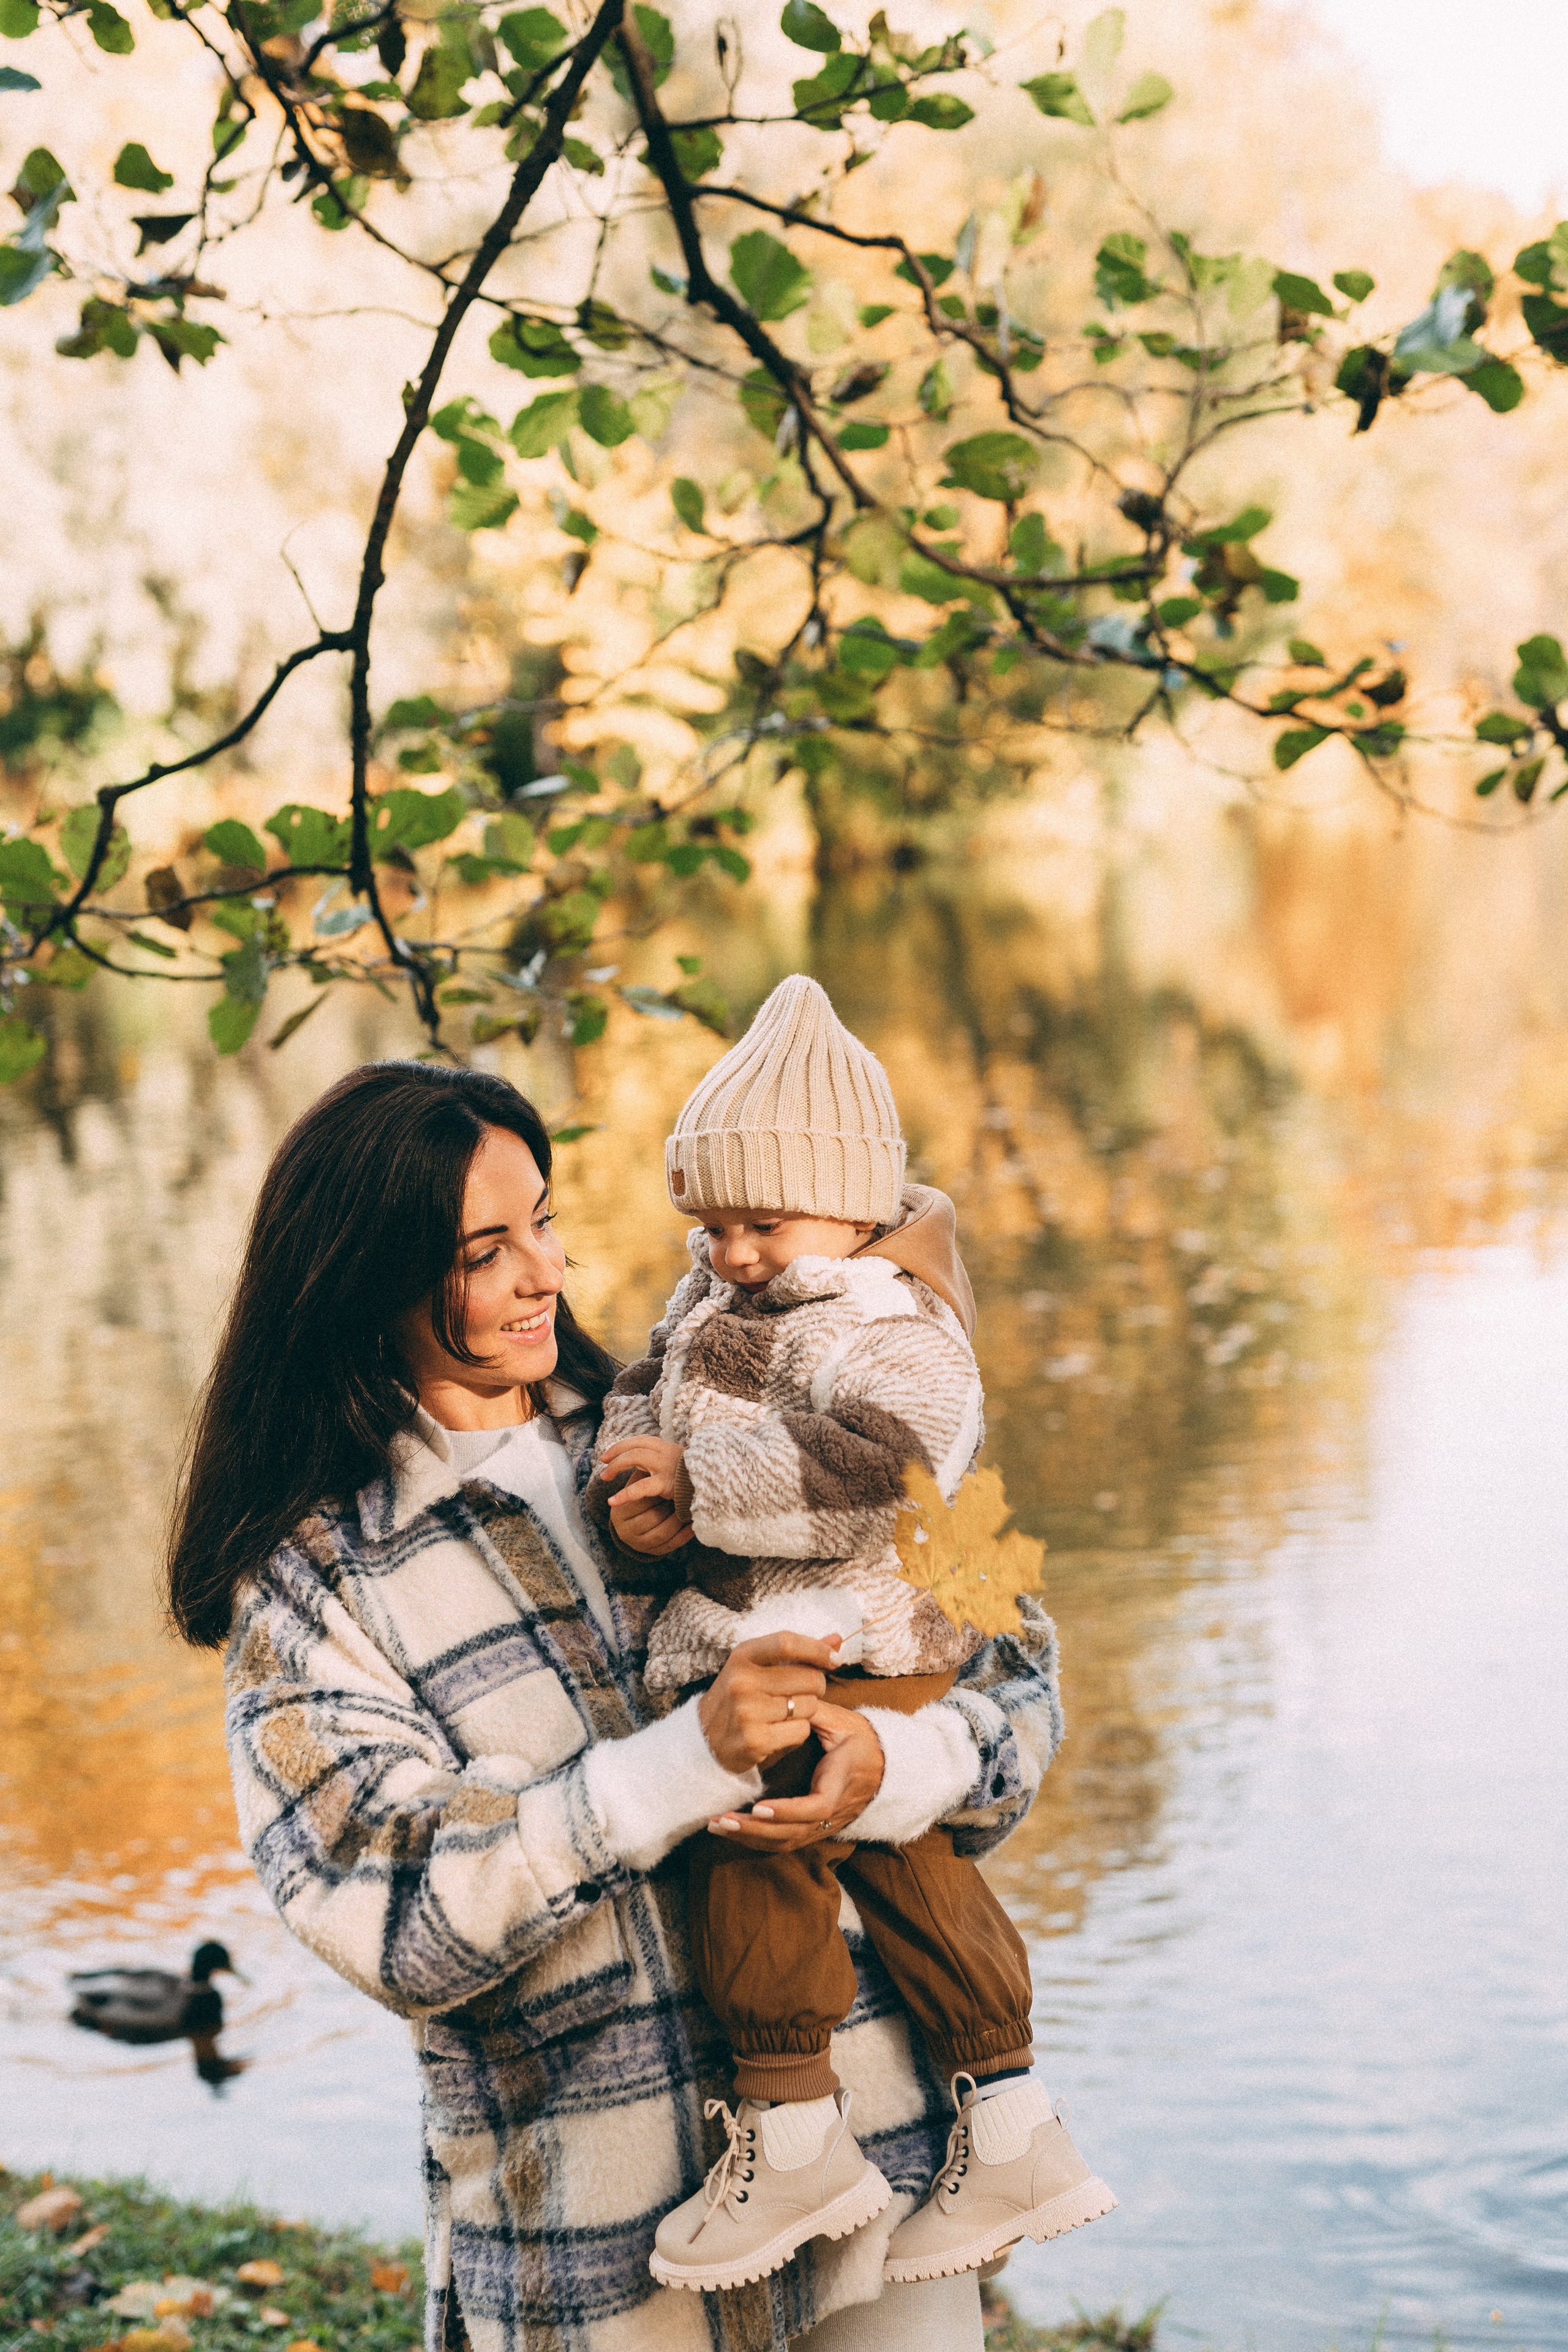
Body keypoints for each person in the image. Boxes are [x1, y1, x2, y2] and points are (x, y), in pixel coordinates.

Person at [164, 1057, 1067, 2352]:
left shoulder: (720, 1415)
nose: (548, 1270)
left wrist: (896, 1760)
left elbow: (1014, 1678)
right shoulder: (317, 1585)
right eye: (488, 1248)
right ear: (365, 1275)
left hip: (883, 2179)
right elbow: (396, 1915)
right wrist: (682, 1766)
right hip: (601, 2259)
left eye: (542, 1217)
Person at [590, 978, 1114, 2296]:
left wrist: (702, 1481)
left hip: (867, 1636)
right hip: (771, 1631)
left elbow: (888, 1466)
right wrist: (636, 1492)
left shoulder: (890, 1319)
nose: (730, 1249)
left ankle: (800, 2127)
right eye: (707, 1223)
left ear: (852, 1202)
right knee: (888, 1864)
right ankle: (1005, 2128)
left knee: (773, 1852)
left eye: (760, 1221)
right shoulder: (717, 1296)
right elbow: (641, 1396)